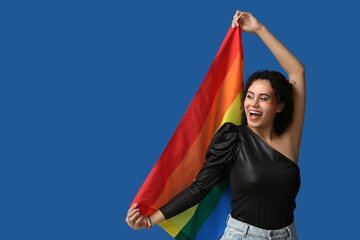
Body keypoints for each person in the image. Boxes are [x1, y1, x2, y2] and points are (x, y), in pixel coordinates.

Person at [126, 10, 305, 240]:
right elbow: (199, 188)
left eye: (264, 98)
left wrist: (259, 29)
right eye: (249, 96)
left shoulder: (290, 137)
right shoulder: (233, 138)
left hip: (287, 235)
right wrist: (150, 221)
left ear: (278, 106)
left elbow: (297, 70)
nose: (253, 104)